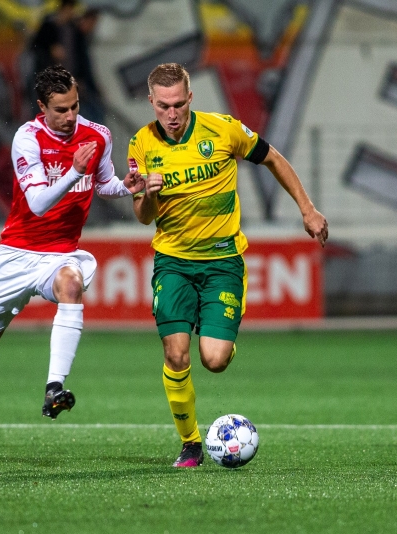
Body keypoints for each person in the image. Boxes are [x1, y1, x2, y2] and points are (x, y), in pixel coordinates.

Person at [0, 65, 145, 454]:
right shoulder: (28, 138)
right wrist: (73, 172)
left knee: (72, 286)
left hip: (60, 254)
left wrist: (127, 186)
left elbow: (102, 184)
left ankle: (54, 387)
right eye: (60, 110)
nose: (70, 117)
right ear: (42, 107)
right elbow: (37, 203)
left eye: (74, 106)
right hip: (17, 255)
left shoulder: (98, 135)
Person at [129, 63, 328, 468]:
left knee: (214, 360)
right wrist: (148, 194)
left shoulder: (224, 130)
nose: (172, 114)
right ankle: (190, 444)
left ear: (191, 99)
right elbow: (143, 216)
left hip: (222, 261)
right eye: (163, 106)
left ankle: (222, 336)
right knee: (176, 355)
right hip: (173, 263)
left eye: (179, 104)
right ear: (151, 102)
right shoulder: (140, 145)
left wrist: (307, 210)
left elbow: (273, 158)